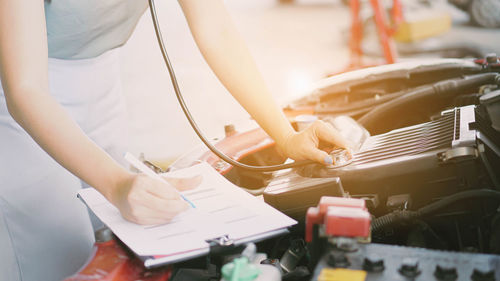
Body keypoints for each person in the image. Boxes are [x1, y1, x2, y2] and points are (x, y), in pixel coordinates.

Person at [0, 0, 352, 280]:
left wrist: (286, 136)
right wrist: (117, 184)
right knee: (61, 257)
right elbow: (25, 89)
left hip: (99, 75)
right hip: (17, 96)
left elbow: (215, 28)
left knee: (113, 242)